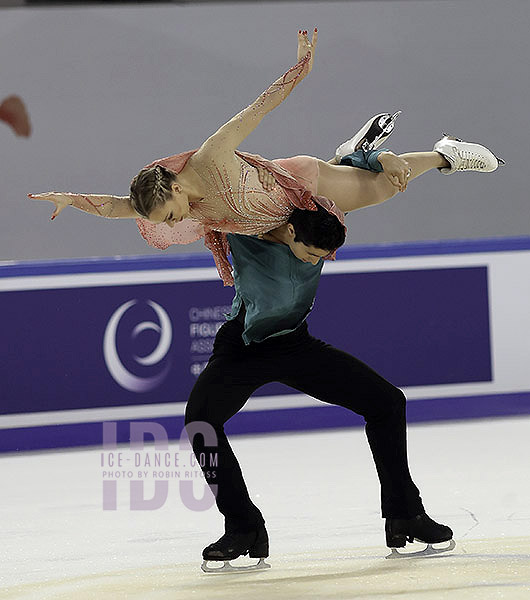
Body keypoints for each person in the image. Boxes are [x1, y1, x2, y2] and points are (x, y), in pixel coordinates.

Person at [28, 29, 502, 286]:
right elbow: (116, 205)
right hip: (270, 225)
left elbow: (259, 107)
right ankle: (357, 154)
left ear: (174, 185)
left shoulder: (211, 158)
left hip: (300, 186)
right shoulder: (163, 201)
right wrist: (70, 199)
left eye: (170, 215)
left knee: (383, 191)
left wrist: (300, 69)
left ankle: (444, 155)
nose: (175, 224)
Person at [185, 164, 455, 573]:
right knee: (200, 422)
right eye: (314, 254)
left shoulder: (319, 217)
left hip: (295, 343)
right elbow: (165, 202)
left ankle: (405, 515)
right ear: (292, 232)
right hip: (242, 347)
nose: (320, 260)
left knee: (386, 402)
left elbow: (352, 179)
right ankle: (243, 527)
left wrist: (408, 161)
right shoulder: (242, 222)